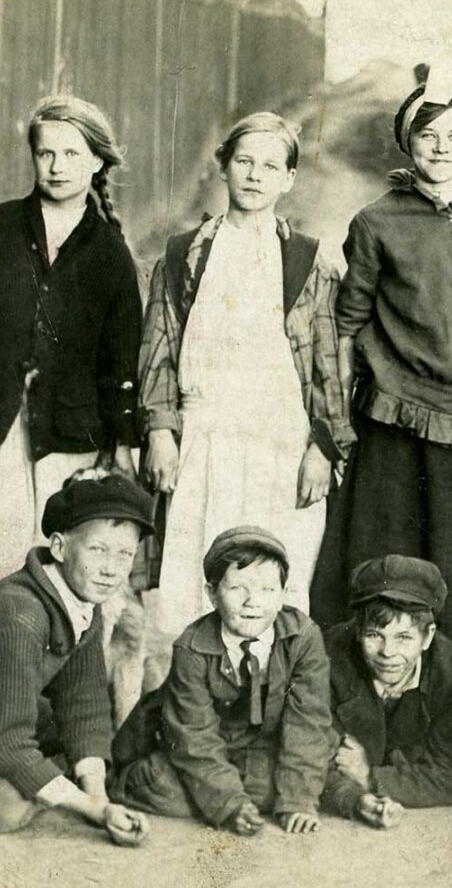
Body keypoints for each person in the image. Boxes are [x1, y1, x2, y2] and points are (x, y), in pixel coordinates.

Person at [310, 51, 452, 658]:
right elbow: (347, 325)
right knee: (387, 560)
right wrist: (338, 420)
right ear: (407, 143)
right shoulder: (375, 222)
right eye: (428, 135)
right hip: (393, 422)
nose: (442, 148)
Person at [139, 112, 349, 633]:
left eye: (271, 166)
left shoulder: (308, 263)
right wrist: (161, 431)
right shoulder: (184, 256)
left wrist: (323, 448)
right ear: (223, 167)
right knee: (198, 580)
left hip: (280, 443)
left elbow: (328, 365)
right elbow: (158, 348)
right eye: (244, 162)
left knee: (275, 583)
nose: (255, 176)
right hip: (205, 440)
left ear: (289, 178)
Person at [0, 95, 142, 576]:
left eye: (72, 154)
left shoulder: (110, 254)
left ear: (97, 161)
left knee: (39, 565)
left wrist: (122, 441)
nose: (57, 167)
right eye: (46, 153)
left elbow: (121, 361)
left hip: (63, 444)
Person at [0, 474, 153, 845]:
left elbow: (85, 702)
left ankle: (45, 778)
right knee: (7, 809)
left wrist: (99, 798)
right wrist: (93, 810)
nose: (111, 568)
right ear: (59, 547)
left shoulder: (82, 599)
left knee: (83, 754)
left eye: (124, 554)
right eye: (97, 550)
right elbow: (5, 743)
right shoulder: (19, 615)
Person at [109, 526, 333, 837]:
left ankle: (242, 790)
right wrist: (230, 805)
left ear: (283, 595)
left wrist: (298, 801)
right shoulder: (191, 647)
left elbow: (308, 723)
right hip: (205, 749)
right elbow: (194, 737)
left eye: (268, 590)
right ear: (212, 594)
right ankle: (135, 783)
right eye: (237, 588)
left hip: (262, 749)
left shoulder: (303, 637)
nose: (252, 602)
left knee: (309, 772)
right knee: (163, 785)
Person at [320, 555, 452, 827]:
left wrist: (371, 777)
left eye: (404, 637)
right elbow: (308, 751)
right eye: (374, 635)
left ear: (428, 636)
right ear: (357, 631)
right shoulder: (328, 656)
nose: (388, 652)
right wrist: (355, 798)